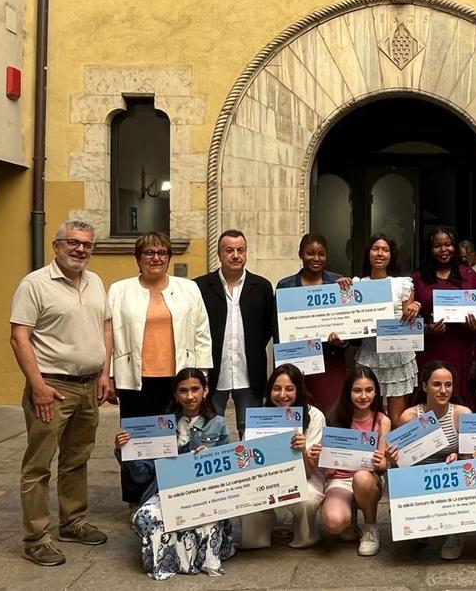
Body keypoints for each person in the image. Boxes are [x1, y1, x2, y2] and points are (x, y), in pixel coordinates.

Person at [10, 220, 113, 566]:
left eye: (87, 244)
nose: (80, 249)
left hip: (88, 386)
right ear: (56, 246)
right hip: (52, 387)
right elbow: (19, 336)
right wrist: (38, 386)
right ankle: (37, 537)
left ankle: (73, 522)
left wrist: (104, 373)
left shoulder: (95, 281)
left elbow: (105, 327)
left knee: (77, 458)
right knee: (39, 464)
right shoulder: (35, 284)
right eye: (73, 242)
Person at [109, 232, 213, 504]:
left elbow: (202, 331)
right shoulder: (120, 290)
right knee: (137, 441)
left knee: (176, 436)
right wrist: (107, 376)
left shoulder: (188, 288)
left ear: (168, 258)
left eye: (162, 253)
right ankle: (136, 498)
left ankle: (175, 492)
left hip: (177, 377)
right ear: (138, 258)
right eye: (149, 253)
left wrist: (202, 374)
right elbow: (110, 335)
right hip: (136, 379)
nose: (156, 258)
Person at [118, 368, 235, 580]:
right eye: (183, 390)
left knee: (201, 519)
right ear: (175, 394)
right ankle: (166, 562)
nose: (190, 396)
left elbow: (227, 470)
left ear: (205, 391)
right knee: (146, 517)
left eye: (195, 389)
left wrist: (211, 458)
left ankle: (196, 559)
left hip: (204, 492)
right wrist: (125, 451)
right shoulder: (161, 427)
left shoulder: (217, 423)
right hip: (166, 491)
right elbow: (142, 476)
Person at [195, 229, 278, 440]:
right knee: (209, 431)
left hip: (249, 373)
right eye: (229, 250)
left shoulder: (261, 286)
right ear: (219, 254)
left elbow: (270, 326)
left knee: (251, 433)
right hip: (213, 373)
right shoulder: (201, 287)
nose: (235, 255)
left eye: (241, 250)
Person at [388, 361, 473, 560]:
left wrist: (461, 455)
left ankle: (455, 534)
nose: (443, 390)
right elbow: (399, 467)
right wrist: (394, 459)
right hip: (421, 484)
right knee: (412, 531)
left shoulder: (463, 414)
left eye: (448, 385)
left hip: (451, 483)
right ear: (425, 386)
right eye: (437, 385)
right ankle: (423, 524)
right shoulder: (409, 417)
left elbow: (472, 458)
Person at [238, 364, 327, 550]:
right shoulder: (258, 418)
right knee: (252, 538)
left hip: (304, 476)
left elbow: (310, 471)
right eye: (277, 388)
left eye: (289, 389)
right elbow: (245, 462)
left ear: (299, 390)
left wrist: (302, 450)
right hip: (266, 477)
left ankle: (305, 534)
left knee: (307, 497)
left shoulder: (315, 416)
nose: (282, 395)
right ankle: (263, 526)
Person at [308, 366, 391, 556]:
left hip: (368, 479)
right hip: (340, 479)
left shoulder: (382, 420)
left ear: (376, 392)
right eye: (357, 390)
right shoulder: (334, 417)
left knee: (362, 477)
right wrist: (320, 456)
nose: (363, 396)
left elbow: (384, 467)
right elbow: (328, 470)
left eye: (368, 390)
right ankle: (349, 519)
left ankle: (370, 528)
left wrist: (380, 461)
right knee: (334, 523)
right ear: (348, 392)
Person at [412, 227, 476, 410]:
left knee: (461, 401)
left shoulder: (470, 276)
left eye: (448, 245)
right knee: (429, 398)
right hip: (429, 350)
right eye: (437, 246)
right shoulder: (417, 279)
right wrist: (427, 329)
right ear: (430, 249)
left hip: (462, 348)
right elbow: (407, 322)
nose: (444, 250)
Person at [349, 233, 421, 424]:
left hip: (398, 356)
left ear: (391, 255)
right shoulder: (357, 285)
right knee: (366, 417)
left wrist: (416, 306)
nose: (380, 253)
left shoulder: (402, 284)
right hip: (369, 355)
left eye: (385, 250)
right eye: (375, 249)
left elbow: (409, 320)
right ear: (368, 253)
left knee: (397, 419)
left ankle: (394, 454)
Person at [277, 233, 349, 411]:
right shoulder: (285, 286)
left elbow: (351, 326)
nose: (316, 258)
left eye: (321, 254)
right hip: (298, 362)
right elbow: (277, 330)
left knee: (332, 414)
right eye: (310, 253)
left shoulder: (338, 283)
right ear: (300, 254)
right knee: (297, 414)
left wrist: (343, 341)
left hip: (330, 362)